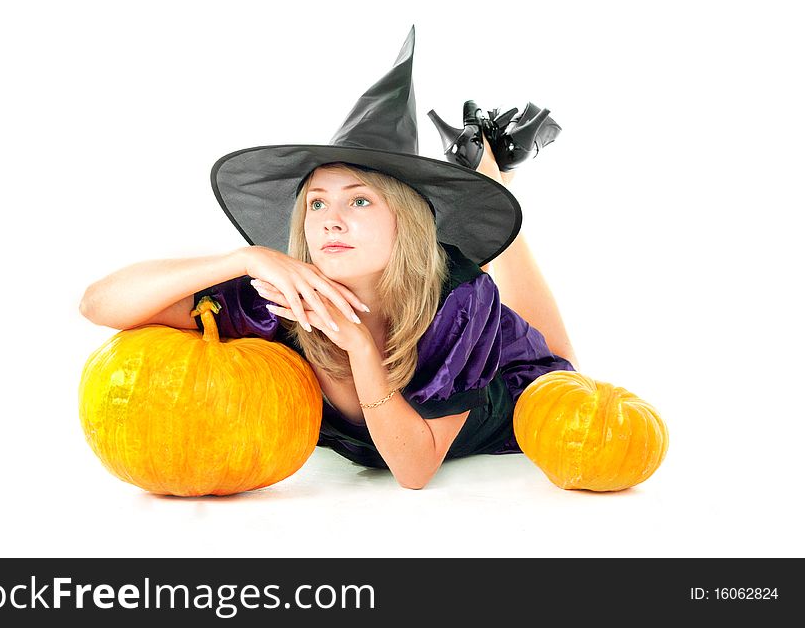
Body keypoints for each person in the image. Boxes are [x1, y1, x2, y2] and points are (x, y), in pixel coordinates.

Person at [79, 26, 578, 490]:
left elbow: (413, 470)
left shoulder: (463, 298)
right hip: (416, 281)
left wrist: (359, 346)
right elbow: (99, 306)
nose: (330, 220)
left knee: (564, 377)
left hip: (498, 398)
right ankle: (489, 177)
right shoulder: (273, 301)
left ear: (404, 219)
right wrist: (242, 259)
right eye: (316, 202)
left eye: (359, 200)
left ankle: (494, 179)